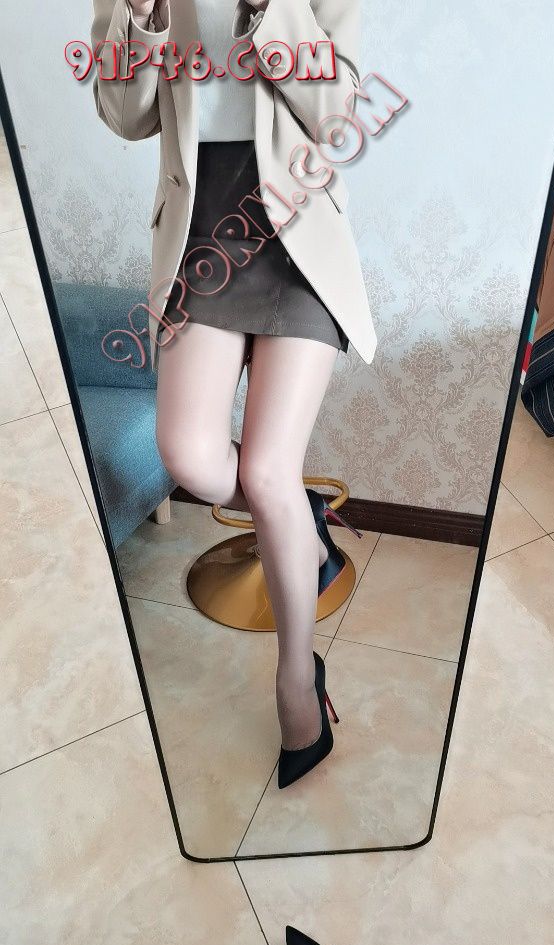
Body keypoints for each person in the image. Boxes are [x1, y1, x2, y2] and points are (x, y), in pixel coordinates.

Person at [91, 0, 377, 788]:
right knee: (186, 454)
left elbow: (338, 115)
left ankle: (297, 682)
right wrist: (142, 20)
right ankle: (302, 523)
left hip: (296, 237)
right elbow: (124, 114)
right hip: (200, 234)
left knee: (267, 472)